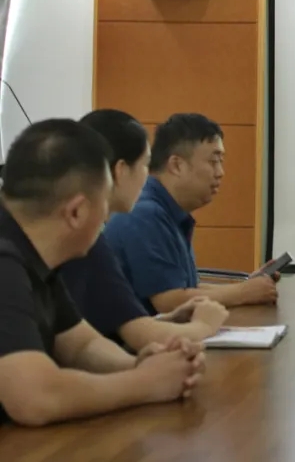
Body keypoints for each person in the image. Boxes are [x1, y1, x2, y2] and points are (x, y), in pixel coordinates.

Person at [0, 119, 204, 426]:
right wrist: (146, 382)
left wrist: (141, 364)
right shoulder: (5, 260)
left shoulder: (34, 251)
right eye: (105, 205)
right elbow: (35, 398)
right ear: (77, 212)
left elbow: (80, 344)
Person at [58, 110, 229, 350]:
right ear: (121, 170)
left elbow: (86, 343)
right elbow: (138, 333)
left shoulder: (87, 239)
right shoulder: (86, 241)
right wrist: (203, 326)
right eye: (145, 165)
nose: (149, 177)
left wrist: (156, 333)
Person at [104, 113, 278, 313]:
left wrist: (247, 286)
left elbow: (187, 288)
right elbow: (170, 300)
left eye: (221, 161)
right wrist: (243, 292)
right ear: (177, 165)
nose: (220, 172)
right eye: (213, 161)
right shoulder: (145, 214)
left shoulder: (167, 211)